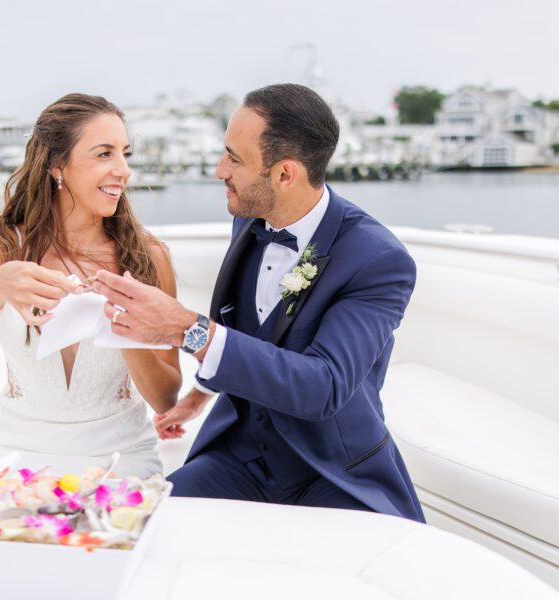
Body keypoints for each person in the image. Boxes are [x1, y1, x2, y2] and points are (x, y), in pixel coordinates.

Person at [92, 83, 425, 521]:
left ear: (285, 174)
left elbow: (322, 387)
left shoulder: (379, 261)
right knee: (155, 528)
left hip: (330, 470)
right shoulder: (250, 218)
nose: (218, 170)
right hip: (240, 456)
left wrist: (185, 329)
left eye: (234, 157)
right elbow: (252, 330)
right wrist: (202, 392)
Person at [0, 93, 181, 478]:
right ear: (56, 165)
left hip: (120, 455)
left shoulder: (149, 256)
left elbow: (165, 396)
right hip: (16, 453)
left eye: (125, 154)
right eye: (104, 154)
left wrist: (125, 330)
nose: (124, 170)